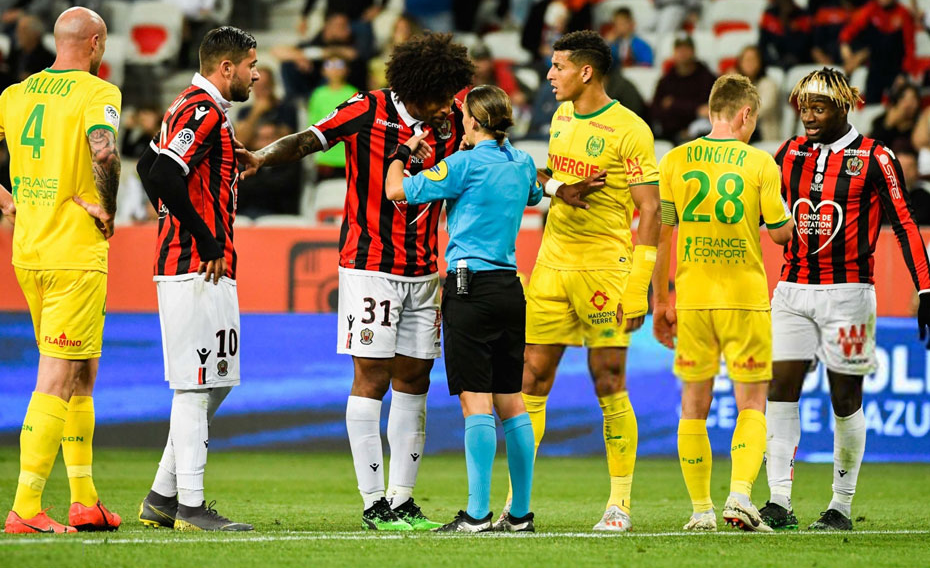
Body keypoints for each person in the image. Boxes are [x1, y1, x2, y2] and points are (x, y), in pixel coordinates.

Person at [236, 32, 472, 531]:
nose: (448, 103)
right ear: (416, 87)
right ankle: (373, 504)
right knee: (373, 376)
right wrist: (260, 156)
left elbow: (493, 160)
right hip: (369, 267)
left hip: (425, 270)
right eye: (441, 93)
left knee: (416, 378)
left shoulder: (452, 123)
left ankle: (402, 499)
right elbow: (308, 140)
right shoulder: (368, 108)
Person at [498, 30, 661, 532]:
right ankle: (515, 504)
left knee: (608, 380)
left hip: (604, 271)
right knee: (530, 381)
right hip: (550, 265)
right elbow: (551, 174)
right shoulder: (562, 115)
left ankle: (619, 504)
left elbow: (651, 209)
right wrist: (555, 186)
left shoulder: (630, 130)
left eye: (558, 66)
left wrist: (638, 285)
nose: (549, 74)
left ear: (586, 71)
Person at [762, 68, 930, 531]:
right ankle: (778, 500)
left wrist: (926, 287)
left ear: (845, 107)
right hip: (792, 289)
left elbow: (905, 224)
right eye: (803, 108)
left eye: (819, 108)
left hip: (850, 295)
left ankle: (840, 505)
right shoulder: (789, 153)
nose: (808, 117)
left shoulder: (876, 157)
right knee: (780, 389)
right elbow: (762, 204)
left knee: (844, 397)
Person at [384, 85, 546, 533]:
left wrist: (402, 150)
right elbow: (535, 195)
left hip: (468, 287)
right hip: (510, 287)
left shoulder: (463, 164)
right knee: (511, 402)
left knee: (476, 403)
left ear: (473, 122)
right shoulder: (522, 162)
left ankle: (476, 514)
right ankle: (520, 514)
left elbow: (395, 189)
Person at [653, 74, 794, 533]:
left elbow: (663, 236)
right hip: (744, 299)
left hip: (692, 299)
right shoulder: (759, 164)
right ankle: (740, 496)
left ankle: (700, 511)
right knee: (752, 401)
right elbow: (778, 232)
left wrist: (660, 301)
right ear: (745, 114)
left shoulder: (673, 160)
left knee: (694, 404)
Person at [0, 6, 122, 534]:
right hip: (74, 251)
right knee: (56, 375)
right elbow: (106, 154)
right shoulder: (99, 94)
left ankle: (84, 500)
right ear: (95, 43)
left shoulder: (15, 93)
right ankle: (25, 507)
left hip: (30, 248)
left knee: (81, 371)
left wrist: (5, 199)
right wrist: (108, 205)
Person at [135, 26, 259, 532]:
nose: (256, 74)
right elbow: (162, 173)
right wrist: (203, 239)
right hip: (194, 266)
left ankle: (164, 497)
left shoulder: (191, 108)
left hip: (207, 265)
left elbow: (147, 163)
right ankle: (190, 506)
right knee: (195, 385)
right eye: (251, 64)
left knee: (216, 382)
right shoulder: (202, 109)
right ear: (225, 68)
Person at [839, 0, 915, 104]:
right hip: (875, 69)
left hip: (896, 70)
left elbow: (909, 46)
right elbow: (848, 32)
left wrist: (904, 74)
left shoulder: (903, 14)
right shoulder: (871, 10)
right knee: (871, 103)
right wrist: (846, 48)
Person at [651, 35, 716, 144]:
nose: (682, 53)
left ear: (693, 51)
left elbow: (707, 110)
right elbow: (655, 111)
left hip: (701, 134)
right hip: (672, 133)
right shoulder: (666, 80)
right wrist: (694, 109)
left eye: (686, 49)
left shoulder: (707, 78)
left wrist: (674, 104)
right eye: (679, 49)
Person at [759, 0, 813, 71]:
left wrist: (787, 25)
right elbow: (762, 45)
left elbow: (806, 45)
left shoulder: (802, 15)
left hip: (799, 62)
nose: (783, 0)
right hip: (775, 62)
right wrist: (775, 62)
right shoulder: (769, 15)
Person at [731, 45, 780, 142]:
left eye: (753, 59)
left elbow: (760, 110)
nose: (750, 63)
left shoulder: (769, 84)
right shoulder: (735, 84)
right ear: (740, 63)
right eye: (746, 60)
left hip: (762, 132)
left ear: (760, 62)